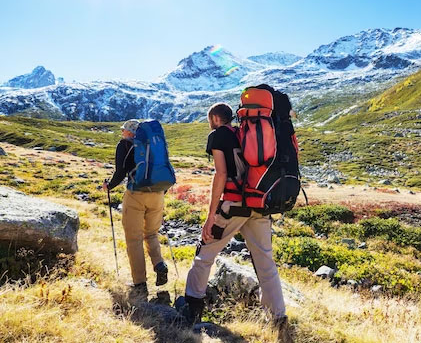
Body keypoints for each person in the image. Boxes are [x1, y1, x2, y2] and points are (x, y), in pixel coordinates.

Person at [184, 103, 287, 328]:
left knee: (205, 252)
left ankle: (192, 306)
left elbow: (221, 173)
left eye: (209, 119)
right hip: (259, 204)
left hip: (233, 206)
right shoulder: (246, 133)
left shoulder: (218, 135)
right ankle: (278, 317)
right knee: (265, 261)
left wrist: (211, 215)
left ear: (215, 118)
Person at [102, 119, 168, 296]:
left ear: (130, 133)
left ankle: (140, 283)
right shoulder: (154, 144)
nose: (122, 133)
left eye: (124, 130)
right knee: (151, 233)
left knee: (134, 239)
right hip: (158, 194)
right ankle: (159, 264)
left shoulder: (124, 145)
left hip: (136, 194)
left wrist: (109, 186)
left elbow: (120, 173)